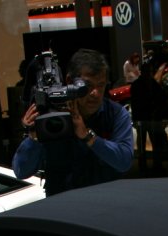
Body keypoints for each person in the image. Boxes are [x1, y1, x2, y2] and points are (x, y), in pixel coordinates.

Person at [14, 49, 133, 195]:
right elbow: (21, 171)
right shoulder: (50, 115)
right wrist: (34, 136)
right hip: (63, 207)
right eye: (88, 86)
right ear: (70, 81)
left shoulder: (116, 114)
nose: (95, 93)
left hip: (106, 203)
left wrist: (88, 137)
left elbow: (124, 162)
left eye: (101, 85)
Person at [129, 60, 168, 173]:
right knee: (149, 142)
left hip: (147, 117)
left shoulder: (142, 84)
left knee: (147, 142)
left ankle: (148, 165)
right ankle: (150, 165)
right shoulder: (147, 84)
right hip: (146, 117)